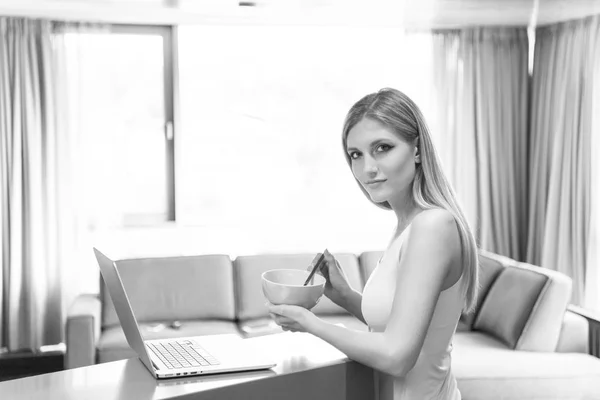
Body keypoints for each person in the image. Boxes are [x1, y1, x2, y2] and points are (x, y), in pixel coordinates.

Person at [267, 88, 479, 400]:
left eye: (383, 148)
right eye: (356, 155)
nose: (367, 168)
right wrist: (345, 296)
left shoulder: (433, 226)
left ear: (417, 150)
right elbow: (400, 326)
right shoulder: (407, 226)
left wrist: (309, 323)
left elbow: (397, 355)